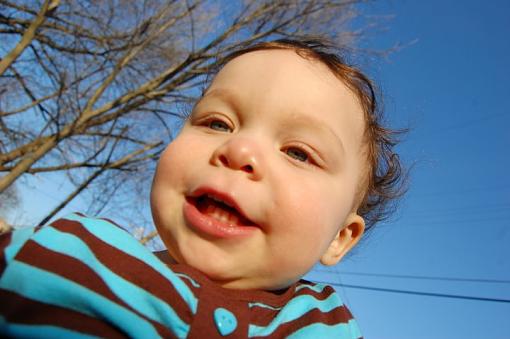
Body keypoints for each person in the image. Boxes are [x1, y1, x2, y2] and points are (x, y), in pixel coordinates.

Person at [0, 38, 404, 338]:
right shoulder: (73, 256)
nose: (239, 149)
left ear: (340, 237)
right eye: (217, 123)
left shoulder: (324, 328)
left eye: (298, 153)